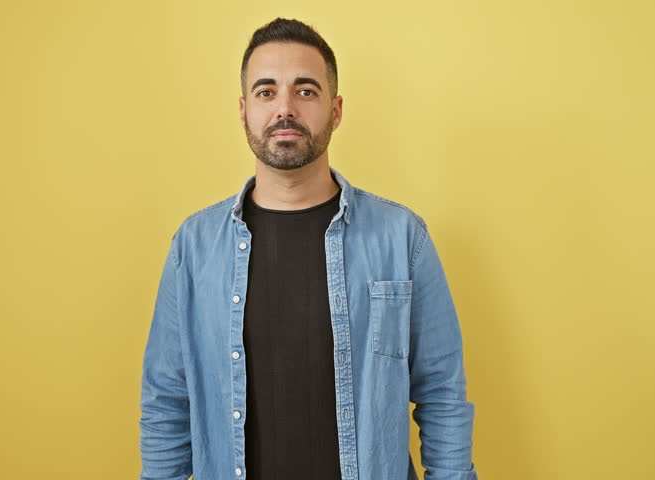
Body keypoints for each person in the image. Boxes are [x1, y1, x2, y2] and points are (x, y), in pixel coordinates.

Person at [139, 17, 478, 480]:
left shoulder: (402, 239)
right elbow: (166, 403)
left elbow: (442, 394)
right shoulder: (194, 249)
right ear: (243, 110)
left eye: (305, 91)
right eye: (266, 91)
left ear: (336, 110)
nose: (285, 109)